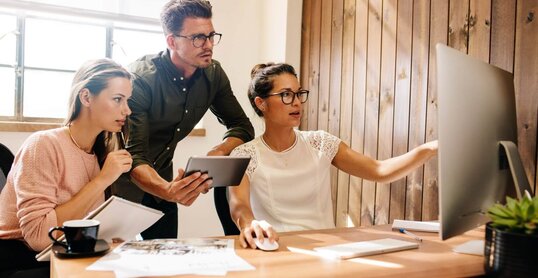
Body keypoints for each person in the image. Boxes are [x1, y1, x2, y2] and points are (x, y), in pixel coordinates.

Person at [229, 63, 439, 249]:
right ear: (261, 103)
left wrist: (430, 149)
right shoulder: (243, 155)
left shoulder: (321, 143)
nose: (297, 103)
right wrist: (249, 224)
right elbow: (240, 207)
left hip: (329, 250)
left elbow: (379, 170)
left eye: (298, 93)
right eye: (286, 94)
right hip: (278, 250)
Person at [111, 0, 254, 239]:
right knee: (110, 265)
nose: (208, 45)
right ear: (171, 41)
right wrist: (167, 190)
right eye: (198, 38)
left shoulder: (213, 74)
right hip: (118, 185)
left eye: (211, 36)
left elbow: (242, 127)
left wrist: (218, 152)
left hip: (164, 184)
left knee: (166, 262)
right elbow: (135, 156)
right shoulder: (141, 80)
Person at [0, 58, 133, 276]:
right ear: (86, 97)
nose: (127, 110)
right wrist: (101, 181)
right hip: (20, 260)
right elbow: (40, 237)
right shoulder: (43, 145)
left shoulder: (99, 153)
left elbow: (81, 226)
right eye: (117, 99)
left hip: (64, 253)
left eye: (127, 100)